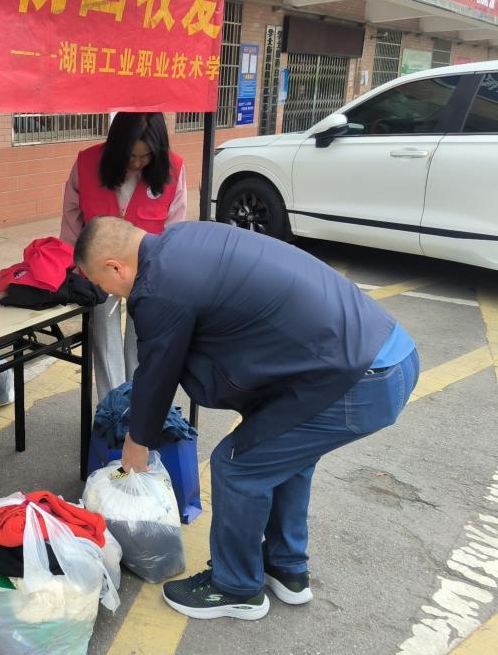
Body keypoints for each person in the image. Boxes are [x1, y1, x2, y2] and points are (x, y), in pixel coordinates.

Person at [73, 217, 418, 621]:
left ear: (116, 267)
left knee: (237, 465)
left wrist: (137, 442)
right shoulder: (184, 239)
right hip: (384, 355)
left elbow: (157, 373)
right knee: (283, 460)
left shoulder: (158, 288)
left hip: (358, 379)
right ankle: (287, 570)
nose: (105, 292)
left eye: (100, 282)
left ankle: (236, 588)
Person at [60, 111, 187, 404]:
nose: (137, 163)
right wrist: (75, 267)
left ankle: (138, 407)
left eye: (146, 156)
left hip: (147, 270)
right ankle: (114, 408)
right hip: (99, 269)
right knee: (104, 339)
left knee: (141, 339)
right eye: (131, 156)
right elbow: (71, 217)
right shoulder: (87, 163)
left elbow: (175, 229)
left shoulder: (173, 168)